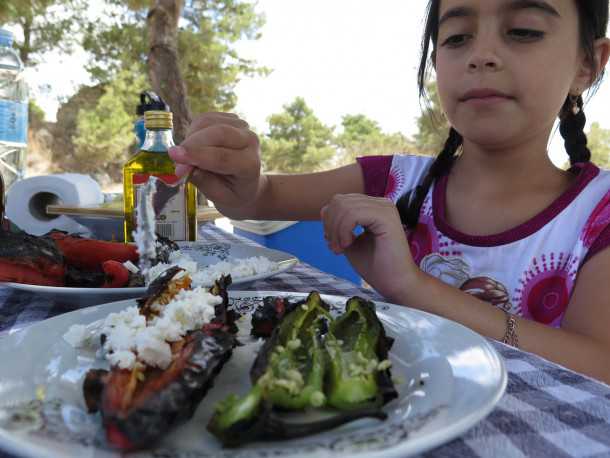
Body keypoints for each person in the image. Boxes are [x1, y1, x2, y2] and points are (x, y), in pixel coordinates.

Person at [169, 0, 610, 384]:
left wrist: (410, 286)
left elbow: (599, 364)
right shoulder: (393, 183)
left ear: (588, 63)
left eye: (523, 31)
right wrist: (237, 176)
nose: (482, 54)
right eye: (457, 38)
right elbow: (258, 198)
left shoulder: (597, 215)